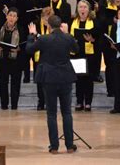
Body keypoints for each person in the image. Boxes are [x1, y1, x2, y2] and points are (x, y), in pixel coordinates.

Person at [26, 15, 79, 154]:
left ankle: (54, 146)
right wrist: (67, 33)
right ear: (61, 25)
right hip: (65, 77)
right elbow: (77, 49)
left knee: (51, 114)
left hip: (49, 78)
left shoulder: (44, 39)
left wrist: (32, 35)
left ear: (49, 26)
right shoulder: (68, 37)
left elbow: (29, 49)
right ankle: (69, 145)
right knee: (67, 112)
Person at [70, 0, 100, 112]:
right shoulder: (73, 21)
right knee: (78, 79)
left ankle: (88, 102)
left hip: (90, 54)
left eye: (84, 7)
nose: (82, 9)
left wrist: (92, 40)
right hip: (77, 53)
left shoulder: (94, 22)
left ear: (89, 9)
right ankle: (79, 101)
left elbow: (99, 38)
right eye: (80, 7)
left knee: (88, 79)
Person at [0, 8, 26, 110]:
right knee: (2, 84)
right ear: (6, 16)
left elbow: (25, 45)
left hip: (16, 61)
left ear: (17, 18)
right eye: (10, 15)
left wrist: (19, 49)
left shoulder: (21, 29)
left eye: (14, 16)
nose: (12, 17)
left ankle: (14, 106)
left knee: (15, 85)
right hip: (2, 60)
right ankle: (4, 105)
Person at [16, 0, 44, 83]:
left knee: (36, 52)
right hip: (24, 26)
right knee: (25, 53)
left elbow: (44, 9)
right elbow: (17, 10)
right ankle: (26, 76)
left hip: (36, 26)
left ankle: (37, 76)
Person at [31, 7, 54, 110]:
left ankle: (49, 102)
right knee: (40, 81)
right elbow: (32, 40)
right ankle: (41, 101)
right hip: (38, 57)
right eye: (45, 18)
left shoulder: (54, 27)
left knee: (50, 82)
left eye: (49, 19)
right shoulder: (35, 24)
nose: (46, 21)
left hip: (51, 58)